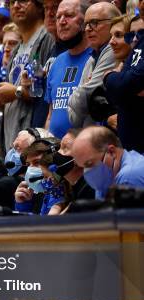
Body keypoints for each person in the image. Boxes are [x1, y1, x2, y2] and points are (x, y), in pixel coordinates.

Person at [0, 0, 55, 154]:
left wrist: (16, 91)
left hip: (34, 145)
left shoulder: (47, 39)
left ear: (39, 5)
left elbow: (47, 92)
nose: (16, 5)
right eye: (11, 2)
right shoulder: (16, 49)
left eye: (23, 1)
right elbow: (17, 95)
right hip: (13, 145)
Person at [67, 2, 121, 127]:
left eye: (95, 22)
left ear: (114, 23)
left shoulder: (113, 50)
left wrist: (73, 99)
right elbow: (74, 119)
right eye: (86, 24)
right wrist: (83, 95)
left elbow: (81, 100)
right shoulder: (91, 59)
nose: (87, 29)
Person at [44, 0, 92, 139]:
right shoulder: (57, 62)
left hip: (86, 151)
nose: (62, 21)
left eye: (69, 15)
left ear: (85, 21)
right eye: (58, 17)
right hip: (56, 151)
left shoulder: (97, 58)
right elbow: (51, 115)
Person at [104, 12, 144, 152]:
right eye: (129, 35)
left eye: (119, 35)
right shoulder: (119, 67)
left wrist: (111, 78)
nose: (111, 41)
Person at [71, 126, 144, 198]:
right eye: (83, 167)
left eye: (89, 163)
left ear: (111, 152)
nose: (87, 171)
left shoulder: (128, 177)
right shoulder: (106, 180)